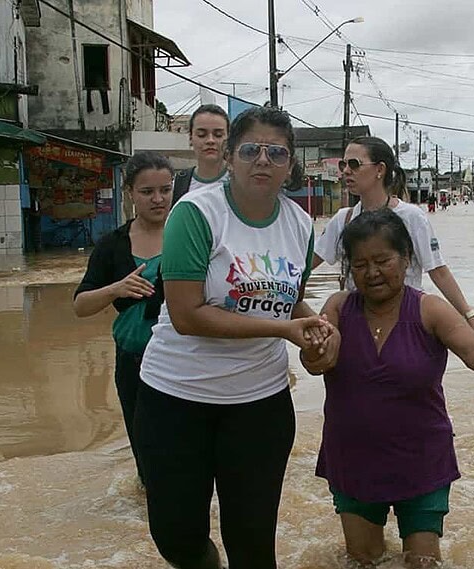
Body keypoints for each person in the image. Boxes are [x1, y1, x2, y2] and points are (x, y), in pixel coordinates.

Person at [134, 106, 337, 569]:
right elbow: (187, 315)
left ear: (289, 166)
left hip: (259, 405)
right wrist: (286, 328)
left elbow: (284, 301)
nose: (263, 160)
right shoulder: (196, 213)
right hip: (176, 399)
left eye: (277, 153)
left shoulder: (300, 225)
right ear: (229, 157)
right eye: (250, 149)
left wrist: (320, 331)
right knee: (177, 538)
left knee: (253, 542)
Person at [300, 209, 474, 568]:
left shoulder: (430, 310)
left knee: (422, 562)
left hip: (422, 460)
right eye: (360, 264)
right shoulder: (337, 306)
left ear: (407, 258)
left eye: (383, 260)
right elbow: (317, 359)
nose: (372, 273)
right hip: (354, 459)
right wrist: (317, 350)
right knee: (363, 560)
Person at [72, 151, 174, 486]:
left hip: (184, 361)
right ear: (130, 191)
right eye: (147, 192)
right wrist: (116, 288)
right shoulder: (112, 246)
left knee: (183, 453)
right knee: (146, 454)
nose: (158, 199)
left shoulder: (189, 237)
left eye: (165, 189)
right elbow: (81, 305)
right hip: (133, 361)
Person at [312, 136, 474, 334]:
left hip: (405, 325)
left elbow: (438, 271)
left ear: (380, 170)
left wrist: (470, 319)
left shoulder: (411, 217)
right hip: (357, 326)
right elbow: (305, 267)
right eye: (344, 164)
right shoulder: (343, 220)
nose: (346, 171)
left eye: (354, 164)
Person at [173, 104, 229, 203]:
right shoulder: (178, 184)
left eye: (218, 135)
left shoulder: (241, 181)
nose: (210, 140)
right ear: (190, 138)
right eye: (202, 135)